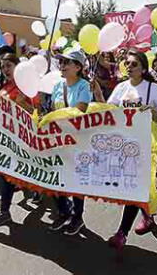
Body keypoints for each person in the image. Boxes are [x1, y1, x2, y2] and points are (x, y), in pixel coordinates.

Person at [104, 49, 157, 251]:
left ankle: (121, 233)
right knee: (138, 186)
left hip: (147, 143)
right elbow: (109, 112)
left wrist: (152, 113)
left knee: (135, 184)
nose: (129, 67)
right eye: (127, 63)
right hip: (124, 143)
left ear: (143, 68)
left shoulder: (153, 89)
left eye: (134, 64)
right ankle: (148, 216)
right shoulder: (121, 88)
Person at [0, 53, 36, 227]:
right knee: (7, 175)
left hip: (24, 141)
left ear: (17, 66)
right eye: (3, 66)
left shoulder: (27, 87)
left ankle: (58, 204)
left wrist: (24, 105)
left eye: (8, 66)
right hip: (7, 140)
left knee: (30, 174)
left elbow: (37, 115)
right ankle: (4, 212)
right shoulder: (3, 86)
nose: (5, 69)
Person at [47, 51, 93, 235]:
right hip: (57, 140)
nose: (62, 65)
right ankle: (64, 211)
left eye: (67, 62)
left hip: (76, 140)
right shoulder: (57, 86)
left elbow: (80, 111)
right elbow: (52, 110)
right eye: (61, 62)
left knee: (75, 181)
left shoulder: (84, 86)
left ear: (78, 67)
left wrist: (59, 117)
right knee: (54, 178)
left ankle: (77, 217)